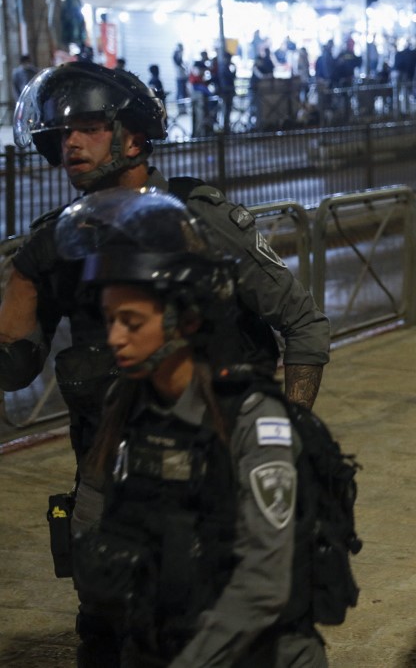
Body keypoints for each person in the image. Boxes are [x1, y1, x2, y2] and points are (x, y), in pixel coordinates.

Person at [1, 62, 330, 662]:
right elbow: (14, 369)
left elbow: (303, 325)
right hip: (109, 487)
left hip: (212, 481)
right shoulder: (61, 242)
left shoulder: (199, 221)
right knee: (106, 642)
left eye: (90, 126)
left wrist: (285, 438)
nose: (71, 141)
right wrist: (23, 275)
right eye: (62, 132)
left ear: (133, 137)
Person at [57, 189, 327, 667]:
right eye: (110, 319)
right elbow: (92, 524)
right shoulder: (127, 405)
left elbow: (264, 586)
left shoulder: (252, 420)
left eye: (132, 321)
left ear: (184, 319)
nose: (115, 337)